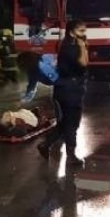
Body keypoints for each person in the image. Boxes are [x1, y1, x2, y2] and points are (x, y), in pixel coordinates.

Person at [36, 19, 89, 169]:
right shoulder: (70, 46)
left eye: (85, 30)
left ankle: (46, 144)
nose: (84, 34)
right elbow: (84, 64)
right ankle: (71, 156)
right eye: (81, 30)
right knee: (72, 122)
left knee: (65, 122)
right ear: (72, 31)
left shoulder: (71, 44)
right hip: (69, 89)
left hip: (68, 88)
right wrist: (83, 47)